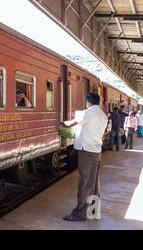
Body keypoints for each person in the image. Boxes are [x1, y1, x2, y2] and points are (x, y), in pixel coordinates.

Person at [57, 93, 108, 221]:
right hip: (96, 151)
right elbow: (101, 134)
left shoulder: (87, 113)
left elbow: (70, 124)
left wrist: (60, 122)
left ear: (88, 102)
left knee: (85, 183)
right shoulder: (103, 115)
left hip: (87, 151)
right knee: (94, 183)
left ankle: (79, 213)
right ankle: (94, 211)